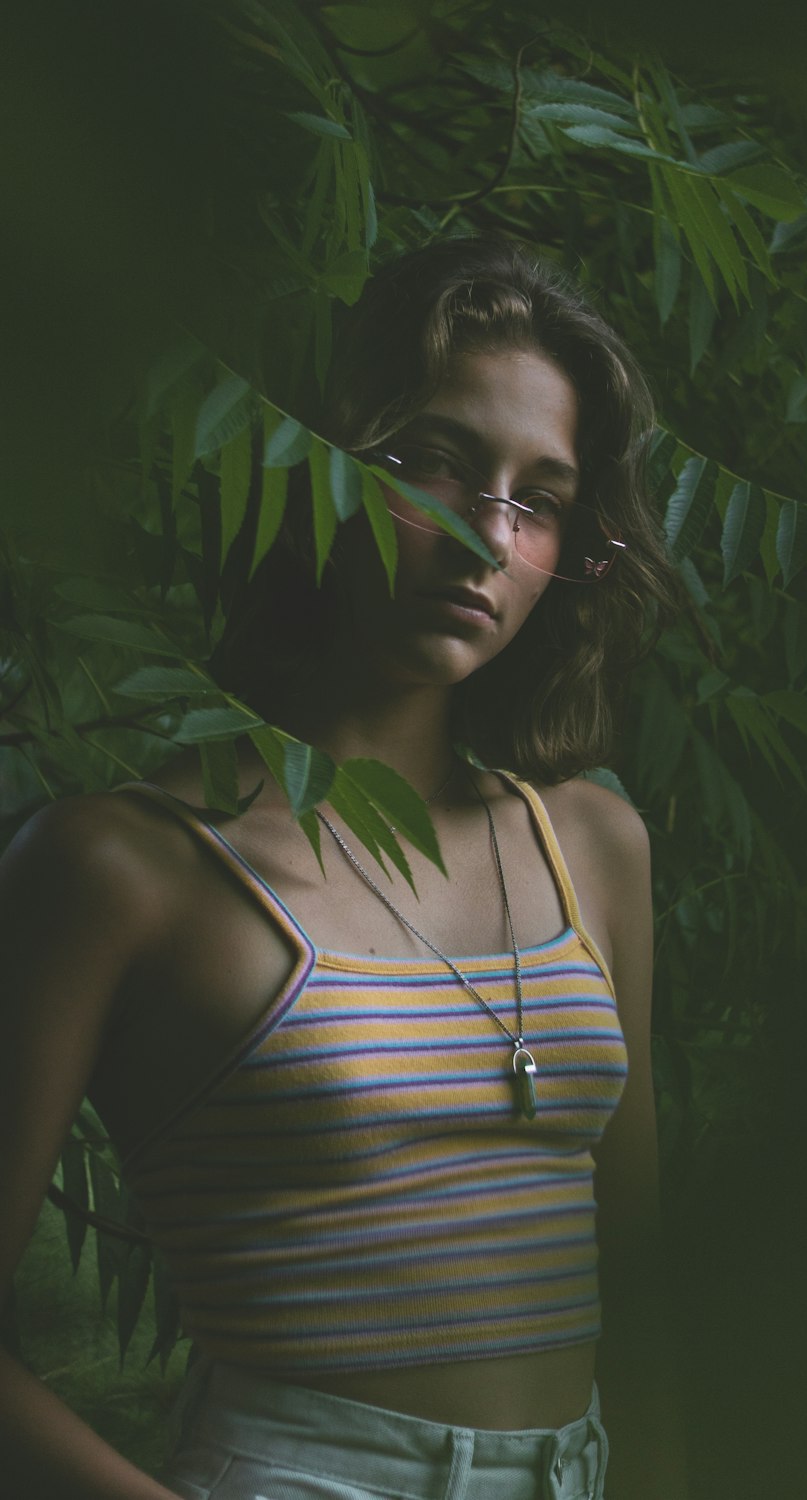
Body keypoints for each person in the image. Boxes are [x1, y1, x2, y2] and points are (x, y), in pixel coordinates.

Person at [0, 236, 688, 1498]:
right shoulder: (127, 868)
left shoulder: (592, 843)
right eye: (431, 461)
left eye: (537, 498)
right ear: (301, 459)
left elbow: (641, 1301)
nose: (486, 537)